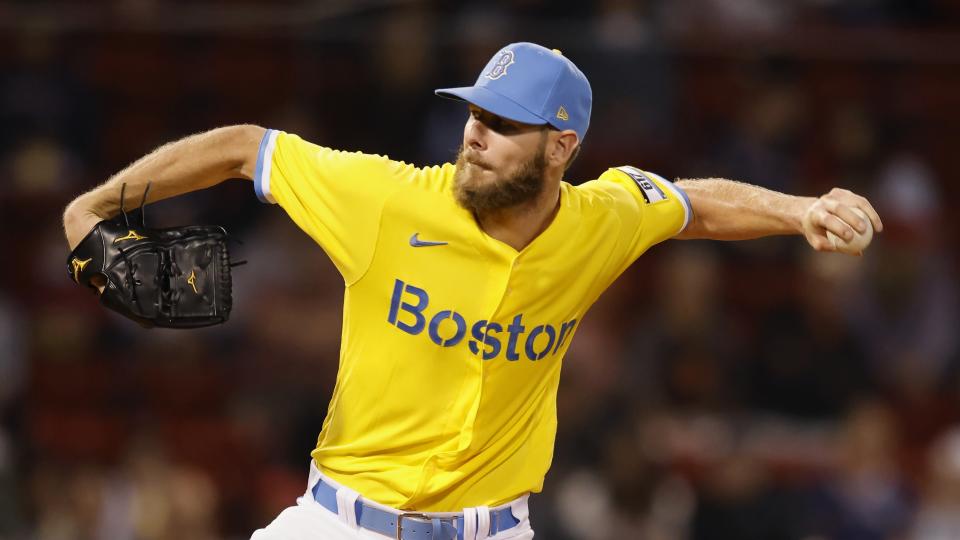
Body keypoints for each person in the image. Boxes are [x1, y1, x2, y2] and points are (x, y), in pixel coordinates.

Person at [62, 42, 883, 540]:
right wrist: (94, 208)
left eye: (503, 123)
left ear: (561, 147)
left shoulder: (598, 220)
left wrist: (799, 208)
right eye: (474, 114)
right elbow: (246, 147)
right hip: (344, 520)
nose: (475, 135)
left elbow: (691, 204)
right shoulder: (389, 199)